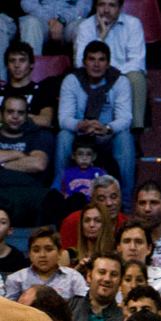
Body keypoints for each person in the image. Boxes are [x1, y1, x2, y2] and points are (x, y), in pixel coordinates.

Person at [55, 41, 134, 203]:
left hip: (106, 135)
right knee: (63, 136)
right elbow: (64, 119)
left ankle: (125, 201)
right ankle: (58, 195)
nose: (96, 64)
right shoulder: (72, 80)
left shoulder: (120, 81)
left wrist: (107, 128)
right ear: (84, 63)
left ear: (108, 64)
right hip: (81, 135)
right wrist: (80, 125)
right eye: (92, 59)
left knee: (125, 137)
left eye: (101, 60)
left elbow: (125, 118)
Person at [0, 95, 54, 225]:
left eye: (20, 112)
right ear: (2, 113)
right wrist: (20, 154)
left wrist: (0, 163)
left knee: (52, 198)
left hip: (29, 193)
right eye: (10, 111)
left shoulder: (39, 135)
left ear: (27, 115)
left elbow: (38, 164)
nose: (15, 116)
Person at [72, 0, 145, 130]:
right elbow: (80, 62)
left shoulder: (133, 24)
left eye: (111, 5)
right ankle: (88, 131)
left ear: (120, 7)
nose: (106, 10)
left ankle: (135, 132)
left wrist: (114, 74)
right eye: (102, 5)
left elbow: (137, 61)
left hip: (123, 75)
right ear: (95, 6)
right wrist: (101, 36)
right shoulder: (85, 27)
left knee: (137, 78)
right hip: (94, 75)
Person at [0, 42, 59, 128]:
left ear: (31, 64)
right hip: (0, 138)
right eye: (12, 61)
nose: (17, 65)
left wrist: (4, 116)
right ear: (7, 66)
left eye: (22, 60)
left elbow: (45, 121)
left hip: (30, 137)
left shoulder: (43, 91)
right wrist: (30, 116)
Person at [20, 0, 94, 59]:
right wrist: (50, 20)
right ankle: (31, 71)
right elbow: (28, 2)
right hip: (43, 21)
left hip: (69, 23)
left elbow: (84, 7)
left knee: (85, 25)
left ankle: (80, 70)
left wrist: (62, 21)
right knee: (30, 23)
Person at [117, 220, 161, 321]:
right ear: (118, 247)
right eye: (127, 241)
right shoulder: (111, 277)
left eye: (139, 242)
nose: (132, 247)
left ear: (149, 248)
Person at [5, 226, 87, 301]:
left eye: (49, 249)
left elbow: (82, 308)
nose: (42, 255)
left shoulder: (74, 278)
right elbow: (9, 311)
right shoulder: (16, 280)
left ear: (59, 253)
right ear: (30, 255)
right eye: (36, 250)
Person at [69, 251, 124, 321]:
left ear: (120, 282)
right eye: (102, 272)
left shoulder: (124, 319)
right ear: (89, 276)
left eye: (114, 274)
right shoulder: (69, 307)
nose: (107, 279)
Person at [60, 174, 124, 249]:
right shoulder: (73, 221)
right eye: (101, 199)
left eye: (114, 197)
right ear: (92, 201)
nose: (109, 203)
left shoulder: (127, 222)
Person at [65, 201, 108, 267]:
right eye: (87, 220)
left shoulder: (114, 254)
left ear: (105, 225)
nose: (91, 225)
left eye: (97, 221)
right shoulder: (69, 255)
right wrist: (77, 271)